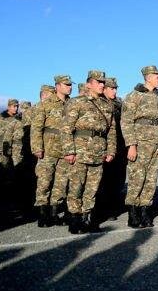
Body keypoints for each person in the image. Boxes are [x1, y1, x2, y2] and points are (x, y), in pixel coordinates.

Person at [61, 70, 116, 234]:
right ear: (88, 84)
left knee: (92, 188)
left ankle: (87, 218)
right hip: (80, 151)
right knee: (76, 187)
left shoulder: (107, 105)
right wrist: (69, 150)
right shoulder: (77, 102)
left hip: (99, 151)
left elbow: (111, 130)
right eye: (98, 82)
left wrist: (111, 150)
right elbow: (66, 129)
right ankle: (75, 219)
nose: (101, 85)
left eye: (103, 82)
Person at [122, 66, 158, 228]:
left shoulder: (157, 98)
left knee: (150, 180)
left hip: (154, 144)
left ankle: (145, 212)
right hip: (140, 143)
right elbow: (126, 121)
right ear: (148, 77)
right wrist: (131, 145)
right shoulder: (134, 96)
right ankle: (133, 214)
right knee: (137, 178)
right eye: (157, 76)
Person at [31, 74, 74, 227]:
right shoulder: (46, 103)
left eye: (70, 84)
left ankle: (54, 213)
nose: (70, 87)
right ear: (57, 86)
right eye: (66, 84)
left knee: (61, 183)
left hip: (65, 149)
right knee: (44, 181)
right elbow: (36, 127)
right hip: (48, 148)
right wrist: (37, 147)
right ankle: (43, 214)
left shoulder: (71, 104)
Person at [97, 77, 127, 221]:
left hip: (120, 145)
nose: (114, 91)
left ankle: (115, 204)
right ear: (104, 89)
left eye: (116, 88)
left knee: (119, 177)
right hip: (106, 145)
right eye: (111, 88)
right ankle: (104, 208)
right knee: (105, 179)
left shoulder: (119, 104)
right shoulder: (99, 103)